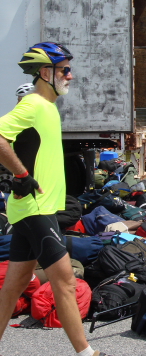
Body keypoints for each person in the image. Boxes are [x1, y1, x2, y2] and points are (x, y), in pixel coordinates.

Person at [0, 42, 110, 356]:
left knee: (13, 288)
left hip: (33, 208)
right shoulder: (33, 104)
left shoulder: (48, 107)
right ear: (46, 72)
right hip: (35, 208)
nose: (70, 76)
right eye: (65, 70)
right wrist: (21, 175)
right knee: (63, 279)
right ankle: (86, 353)